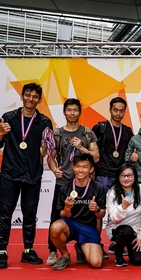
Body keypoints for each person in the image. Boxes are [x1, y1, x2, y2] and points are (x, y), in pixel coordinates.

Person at [0, 82, 53, 269]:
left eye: (35, 96)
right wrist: (0, 134)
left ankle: (28, 250)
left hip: (33, 176)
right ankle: (2, 252)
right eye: (27, 95)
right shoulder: (8, 117)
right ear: (22, 96)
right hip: (10, 174)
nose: (30, 99)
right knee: (4, 214)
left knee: (30, 214)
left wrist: (46, 148)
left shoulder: (44, 122)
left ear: (39, 100)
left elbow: (49, 148)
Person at [46, 98, 100, 266]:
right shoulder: (57, 133)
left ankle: (86, 244)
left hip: (85, 184)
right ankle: (53, 251)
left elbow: (96, 157)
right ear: (64, 112)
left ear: (80, 112)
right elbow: (50, 157)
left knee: (89, 216)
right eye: (69, 110)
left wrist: (82, 148)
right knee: (56, 217)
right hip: (63, 183)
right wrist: (54, 169)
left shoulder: (87, 133)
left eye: (75, 110)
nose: (72, 113)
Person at [49, 153, 107, 270]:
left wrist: (96, 209)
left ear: (91, 169)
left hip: (88, 228)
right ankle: (65, 256)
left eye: (85, 167)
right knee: (55, 227)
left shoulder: (98, 188)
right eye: (78, 166)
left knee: (96, 263)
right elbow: (63, 215)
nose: (80, 170)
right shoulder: (65, 188)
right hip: (70, 226)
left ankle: (80, 247)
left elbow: (101, 214)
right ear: (73, 168)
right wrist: (67, 208)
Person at [106, 163, 141, 267]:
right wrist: (123, 207)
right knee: (126, 230)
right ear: (118, 177)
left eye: (129, 175)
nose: (126, 178)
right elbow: (114, 219)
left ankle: (130, 248)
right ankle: (118, 253)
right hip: (117, 229)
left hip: (136, 230)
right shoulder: (112, 193)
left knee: (138, 261)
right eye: (123, 175)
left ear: (135, 176)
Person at [92, 97, 134, 192]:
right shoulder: (99, 128)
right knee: (102, 200)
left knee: (120, 201)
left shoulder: (127, 131)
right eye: (115, 110)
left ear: (125, 112)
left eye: (121, 111)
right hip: (103, 174)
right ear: (110, 110)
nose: (118, 114)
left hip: (121, 175)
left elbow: (130, 151)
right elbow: (92, 150)